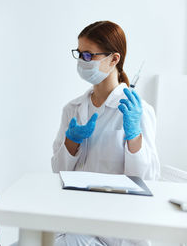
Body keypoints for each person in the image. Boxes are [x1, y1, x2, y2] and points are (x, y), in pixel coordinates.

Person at [51, 21, 160, 246]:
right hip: (76, 220)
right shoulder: (72, 109)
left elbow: (148, 181)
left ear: (114, 59)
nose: (82, 61)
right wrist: (71, 142)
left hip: (116, 231)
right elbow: (57, 172)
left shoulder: (137, 111)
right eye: (79, 54)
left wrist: (134, 138)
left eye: (89, 56)